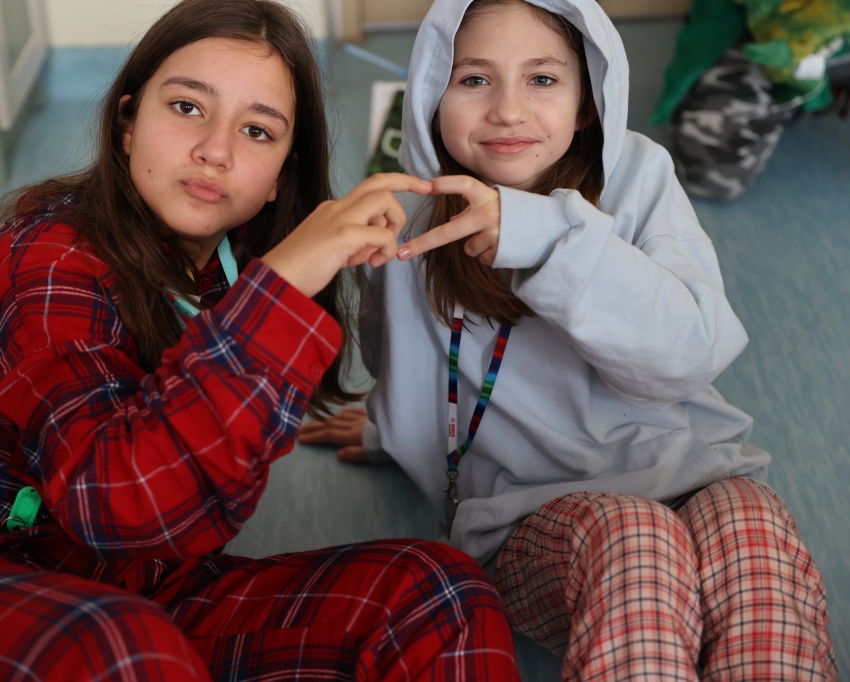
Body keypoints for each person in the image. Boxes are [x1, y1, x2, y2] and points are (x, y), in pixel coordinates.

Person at [0, 1, 521, 680]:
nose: (216, 151)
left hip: (145, 586)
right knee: (123, 647)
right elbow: (117, 504)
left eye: (256, 131)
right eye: (187, 107)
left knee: (442, 594)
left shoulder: (238, 261)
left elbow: (193, 515)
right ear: (127, 124)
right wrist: (281, 287)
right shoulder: (46, 260)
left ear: (279, 179)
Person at [299, 0, 838, 678]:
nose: (508, 110)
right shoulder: (409, 216)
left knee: (752, 536)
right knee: (638, 544)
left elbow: (687, 358)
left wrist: (543, 237)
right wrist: (390, 431)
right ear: (433, 95)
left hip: (688, 467)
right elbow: (406, 363)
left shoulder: (638, 174)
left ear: (587, 102)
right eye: (474, 79)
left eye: (543, 79)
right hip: (530, 515)